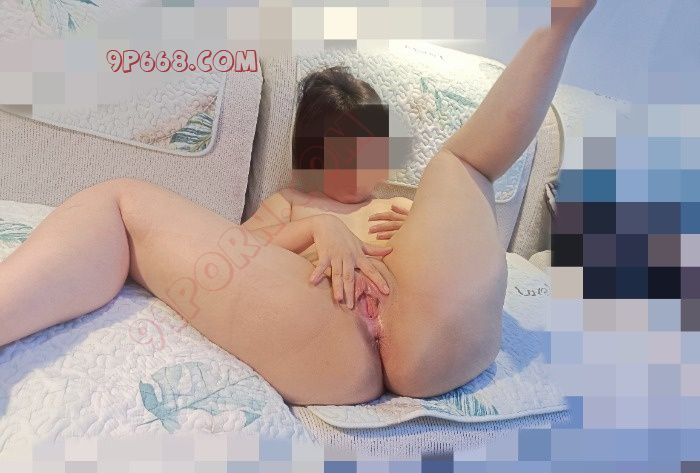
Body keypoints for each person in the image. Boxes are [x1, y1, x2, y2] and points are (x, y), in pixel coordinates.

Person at [0, 0, 596, 405]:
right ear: (315, 156)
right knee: (121, 201)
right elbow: (235, 256)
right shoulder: (289, 202)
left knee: (458, 166)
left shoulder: (396, 203)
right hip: (327, 332)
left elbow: (451, 238)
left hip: (428, 324)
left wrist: (423, 229)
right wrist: (320, 229)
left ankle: (560, 24)